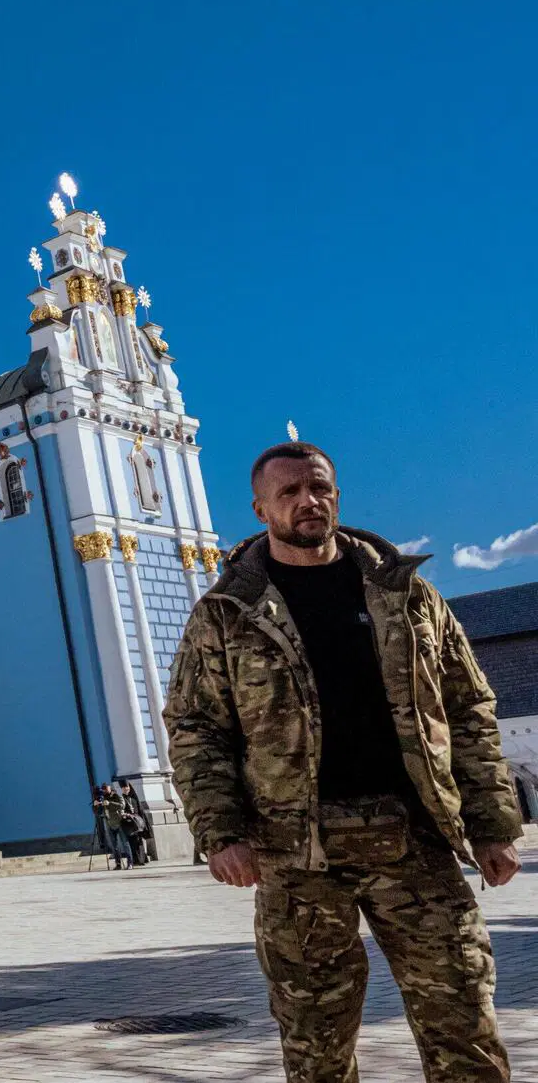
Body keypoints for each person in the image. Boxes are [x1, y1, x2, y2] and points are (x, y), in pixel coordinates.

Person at [165, 440, 521, 1083]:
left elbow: (469, 708)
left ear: (336, 494)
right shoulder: (225, 615)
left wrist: (492, 823)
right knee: (315, 1046)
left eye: (319, 488)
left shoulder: (408, 595)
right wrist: (220, 833)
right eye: (289, 493)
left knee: (464, 1025)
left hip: (414, 840)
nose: (308, 501)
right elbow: (196, 727)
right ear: (260, 509)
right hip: (297, 856)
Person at [116, 781, 151, 865]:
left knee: (139, 841)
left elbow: (139, 811)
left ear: (129, 787)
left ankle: (142, 859)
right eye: (124, 788)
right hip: (128, 824)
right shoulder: (121, 798)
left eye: (127, 787)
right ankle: (135, 860)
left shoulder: (134, 798)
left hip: (137, 823)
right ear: (122, 789)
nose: (126, 789)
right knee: (132, 842)